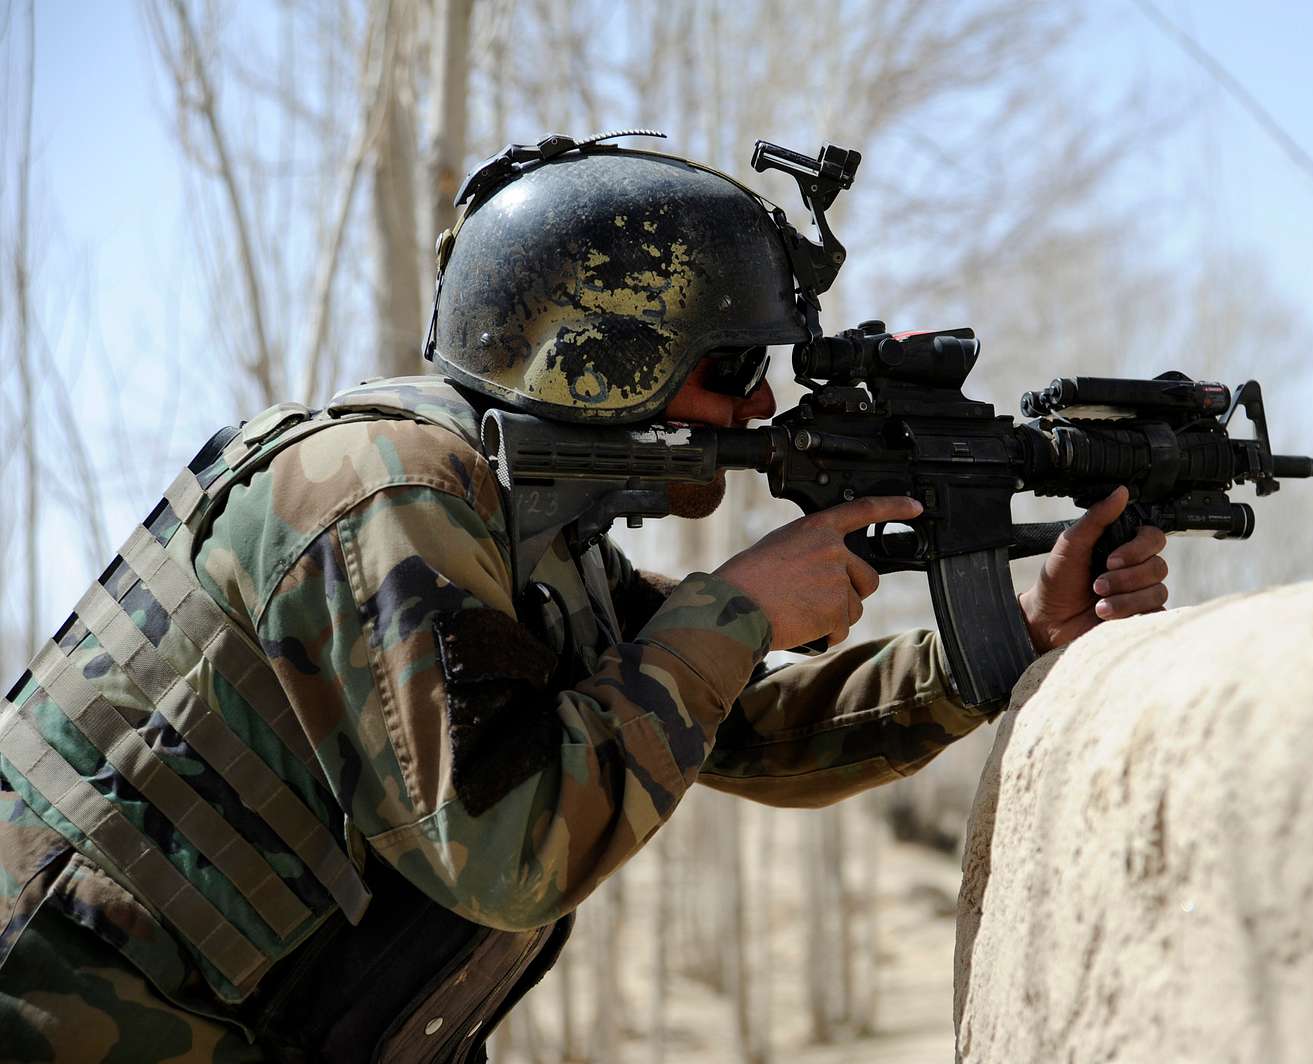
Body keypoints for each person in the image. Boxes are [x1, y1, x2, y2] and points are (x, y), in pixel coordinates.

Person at [0, 134, 1168, 1062]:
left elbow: (739, 726)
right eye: (731, 370)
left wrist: (1012, 636)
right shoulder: (383, 488)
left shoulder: (519, 526)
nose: (759, 411)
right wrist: (740, 606)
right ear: (607, 359)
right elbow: (507, 850)